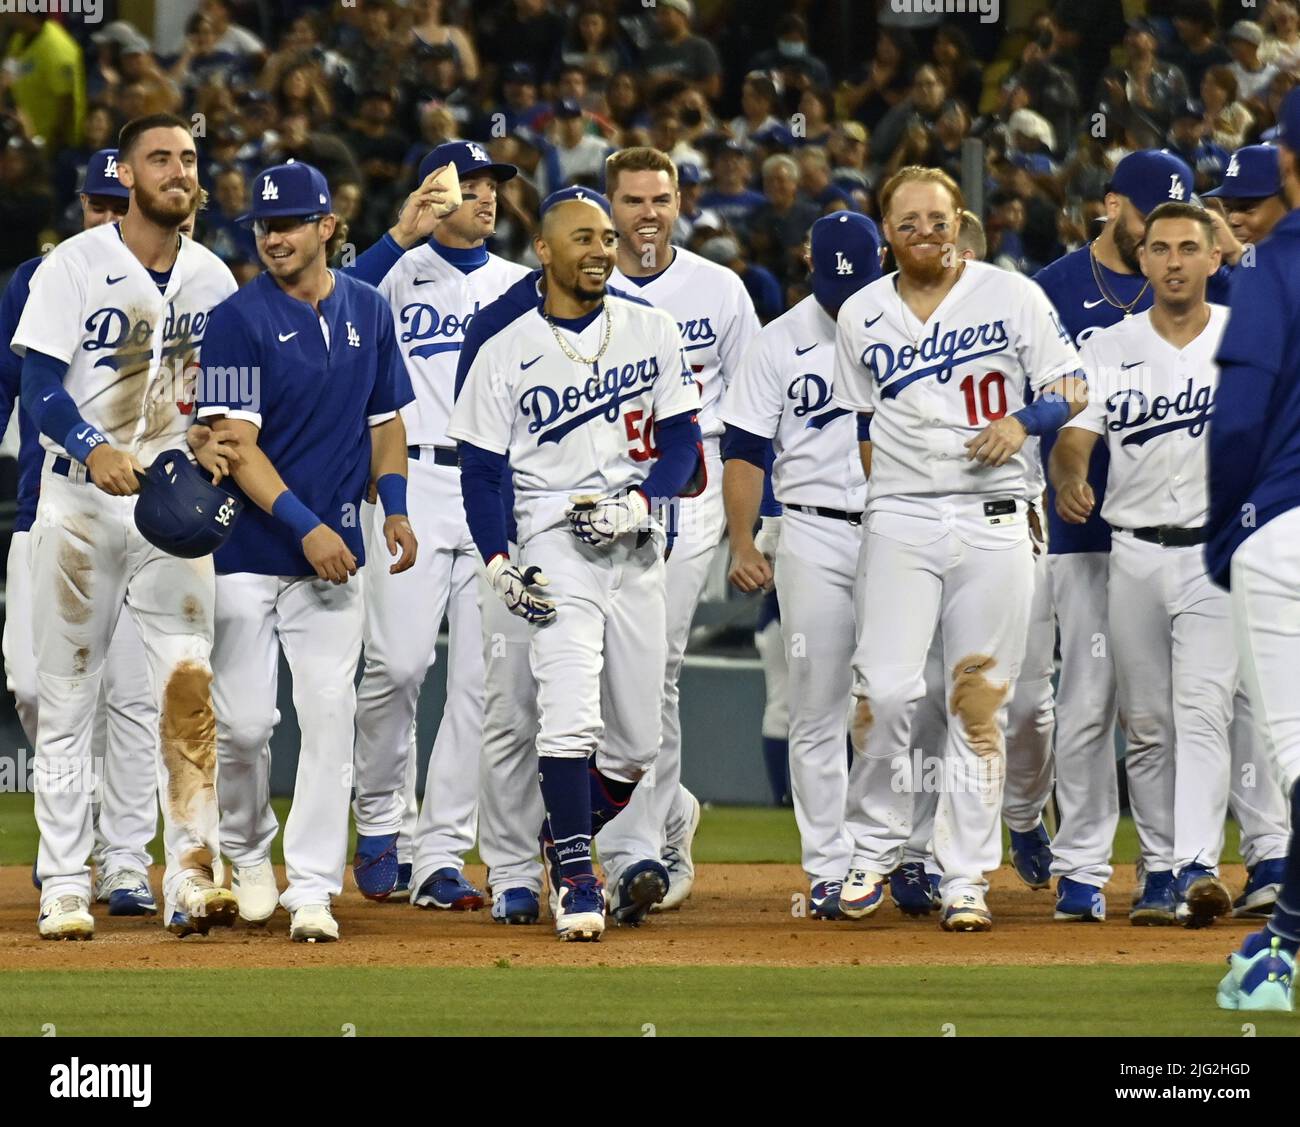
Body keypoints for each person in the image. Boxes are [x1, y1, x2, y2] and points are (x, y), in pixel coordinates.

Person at [831, 165, 1087, 932]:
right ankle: (871, 846)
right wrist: (889, 498)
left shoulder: (1011, 294)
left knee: (979, 701)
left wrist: (1025, 422)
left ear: (961, 222)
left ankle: (965, 874)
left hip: (995, 513)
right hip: (903, 516)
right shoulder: (862, 313)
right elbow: (862, 425)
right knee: (883, 688)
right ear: (886, 235)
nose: (925, 234)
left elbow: (1072, 385)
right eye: (908, 222)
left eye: (938, 220)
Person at [447, 188, 702, 941]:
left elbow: (684, 442)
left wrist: (644, 502)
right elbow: (480, 471)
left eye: (606, 237)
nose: (600, 248)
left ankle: (558, 835)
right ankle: (579, 878)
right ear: (545, 253)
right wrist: (497, 561)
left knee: (636, 742)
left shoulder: (652, 329)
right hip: (554, 536)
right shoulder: (505, 346)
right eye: (582, 238)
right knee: (566, 711)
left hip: (634, 540)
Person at [12, 114, 239, 939]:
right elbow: (37, 388)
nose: (179, 171)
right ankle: (67, 883)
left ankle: (189, 874)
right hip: (79, 500)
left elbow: (225, 402)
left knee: (186, 687)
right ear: (128, 174)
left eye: (188, 157)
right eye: (160, 159)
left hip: (169, 506)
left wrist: (218, 439)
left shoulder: (214, 278)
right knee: (68, 696)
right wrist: (88, 444)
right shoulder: (73, 267)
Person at [196, 161, 416, 943]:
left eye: (289, 223)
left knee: (330, 718)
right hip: (248, 552)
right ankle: (250, 852)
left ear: (328, 226)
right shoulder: (235, 317)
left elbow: (386, 422)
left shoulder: (368, 307)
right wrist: (309, 526)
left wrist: (393, 507)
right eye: (264, 225)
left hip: (337, 561)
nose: (274, 236)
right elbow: (236, 447)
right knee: (249, 724)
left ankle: (314, 884)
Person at [350, 142, 528, 909]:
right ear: (432, 192)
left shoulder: (523, 285)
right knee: (397, 662)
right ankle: (380, 810)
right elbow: (324, 306)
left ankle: (441, 853)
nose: (485, 197)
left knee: (482, 683)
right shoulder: (390, 273)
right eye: (469, 185)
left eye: (493, 186)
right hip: (407, 475)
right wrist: (399, 233)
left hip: (491, 482)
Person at [1051, 202, 1236, 927]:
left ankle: (1197, 865)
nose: (1175, 261)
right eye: (1160, 248)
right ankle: (1158, 868)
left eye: (1190, 247)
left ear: (1214, 257)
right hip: (1132, 551)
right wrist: (1070, 476)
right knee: (1150, 719)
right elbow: (1074, 436)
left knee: (1204, 711)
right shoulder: (1106, 345)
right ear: (1146, 257)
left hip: (1215, 551)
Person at [601, 147, 761, 919]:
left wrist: (751, 524)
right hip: (596, 487)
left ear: (679, 203)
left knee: (652, 668)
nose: (648, 213)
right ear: (611, 205)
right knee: (595, 671)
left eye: (660, 199)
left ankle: (641, 848)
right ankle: (665, 816)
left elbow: (754, 411)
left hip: (690, 484)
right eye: (633, 200)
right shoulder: (581, 280)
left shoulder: (719, 288)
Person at [718, 212, 881, 920]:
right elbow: (745, 451)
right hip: (812, 531)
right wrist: (743, 539)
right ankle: (828, 864)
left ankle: (893, 855)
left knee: (903, 699)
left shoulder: (908, 324)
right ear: (809, 266)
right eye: (831, 283)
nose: (844, 297)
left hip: (899, 529)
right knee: (817, 702)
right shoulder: (777, 340)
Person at [1207, 85, 1300, 1013]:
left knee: (1296, 751)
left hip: (1282, 529)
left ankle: (1282, 953)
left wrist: (1221, 527)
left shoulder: (1277, 268)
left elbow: (1236, 423)